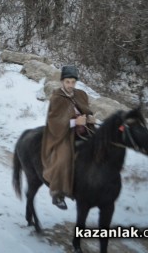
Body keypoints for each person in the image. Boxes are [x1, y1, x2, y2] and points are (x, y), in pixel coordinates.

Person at [41, 65, 96, 210]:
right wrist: (73, 122)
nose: (70, 85)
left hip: (83, 130)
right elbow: (54, 121)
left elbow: (86, 110)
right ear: (62, 82)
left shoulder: (81, 94)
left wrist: (89, 117)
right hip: (61, 134)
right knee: (63, 157)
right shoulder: (57, 98)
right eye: (67, 82)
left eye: (73, 82)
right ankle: (57, 193)